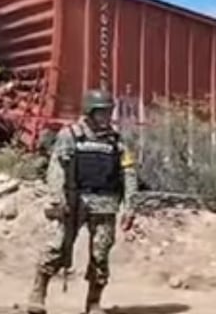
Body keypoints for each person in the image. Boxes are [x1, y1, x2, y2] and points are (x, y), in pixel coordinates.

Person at [25, 89, 138, 314]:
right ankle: (38, 293)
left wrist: (130, 206)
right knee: (58, 248)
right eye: (101, 112)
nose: (106, 117)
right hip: (75, 202)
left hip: (105, 204)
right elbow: (57, 167)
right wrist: (57, 198)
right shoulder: (71, 135)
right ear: (90, 112)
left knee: (100, 254)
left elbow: (129, 172)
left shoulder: (117, 140)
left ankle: (93, 302)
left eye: (108, 112)